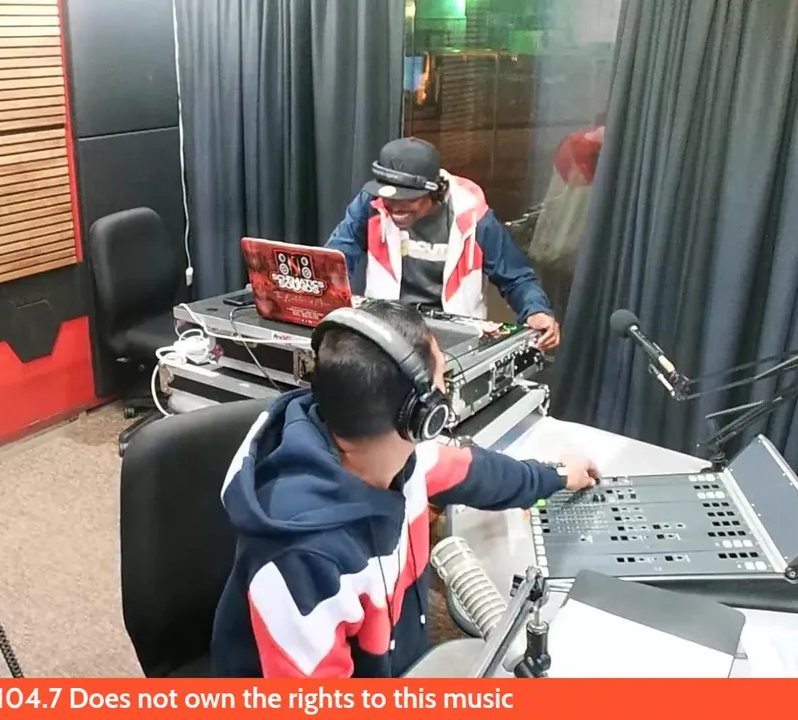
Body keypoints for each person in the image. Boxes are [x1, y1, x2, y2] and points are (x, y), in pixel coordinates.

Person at [210, 301, 597, 678]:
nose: (446, 388)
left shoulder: (400, 455)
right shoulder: (301, 560)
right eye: (443, 378)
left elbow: (479, 473)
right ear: (422, 416)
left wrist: (558, 475)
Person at [326, 137, 562, 350]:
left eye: (408, 199)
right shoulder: (371, 204)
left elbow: (516, 276)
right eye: (389, 197)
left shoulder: (474, 217)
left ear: (435, 192)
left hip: (454, 337)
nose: (395, 207)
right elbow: (335, 259)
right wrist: (320, 296)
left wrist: (536, 310)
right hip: (388, 329)